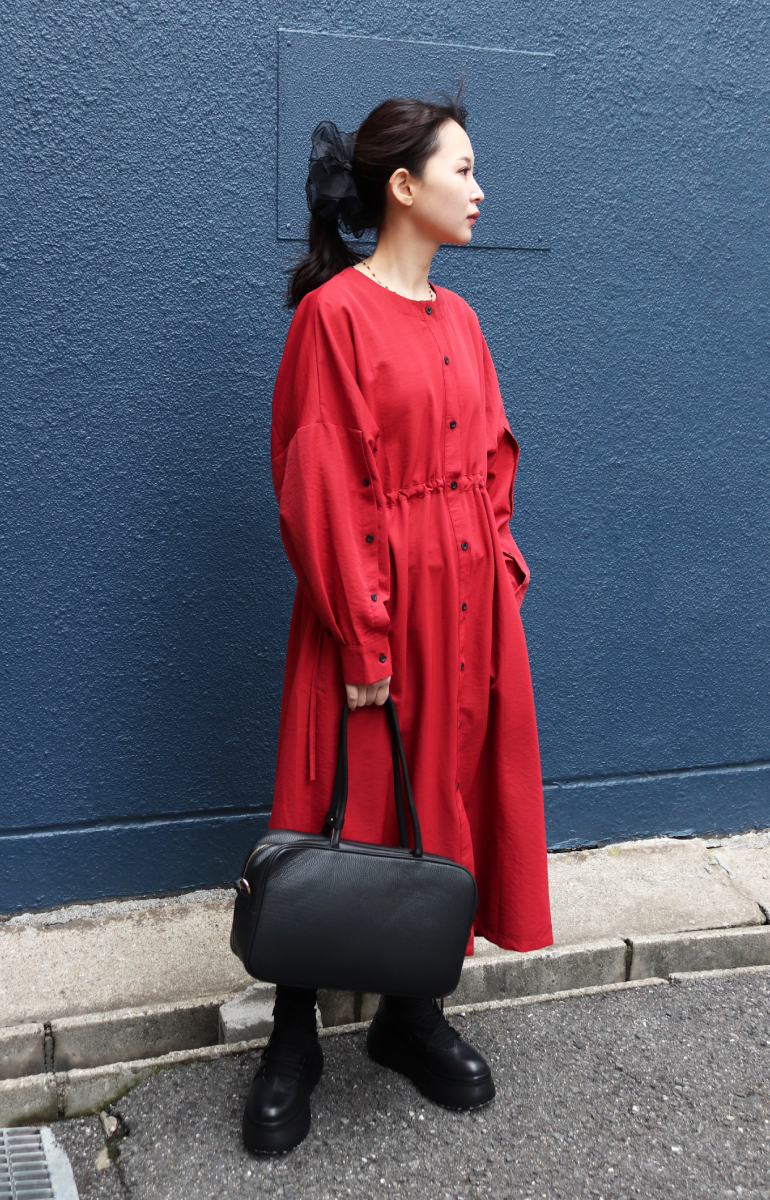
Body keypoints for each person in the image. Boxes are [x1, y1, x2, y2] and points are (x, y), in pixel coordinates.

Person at [242, 89, 553, 1156]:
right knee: (336, 802)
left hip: (466, 617)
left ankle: (409, 1015)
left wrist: (499, 569)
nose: (480, 190)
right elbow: (319, 480)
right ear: (404, 186)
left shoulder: (461, 320)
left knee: (442, 797)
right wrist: (365, 633)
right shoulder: (333, 316)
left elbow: (489, 461)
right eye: (463, 169)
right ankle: (292, 1038)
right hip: (371, 611)